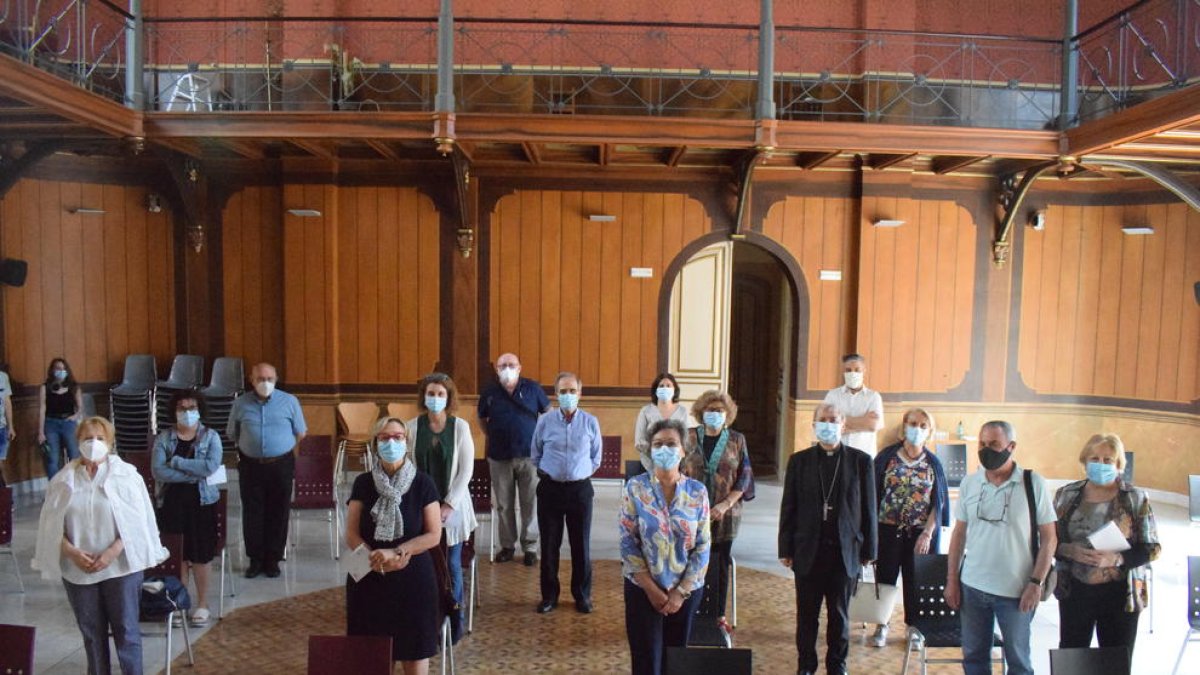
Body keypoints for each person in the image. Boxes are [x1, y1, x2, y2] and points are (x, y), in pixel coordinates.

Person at [32, 416, 167, 675]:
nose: (93, 443)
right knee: (92, 635)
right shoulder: (63, 480)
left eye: (100, 438)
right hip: (78, 569)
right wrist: (71, 552)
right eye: (87, 438)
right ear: (78, 441)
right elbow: (50, 526)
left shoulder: (126, 476)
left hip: (120, 567)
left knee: (126, 631)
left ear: (110, 442)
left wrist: (112, 552)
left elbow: (139, 522)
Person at [944, 420, 1057, 675]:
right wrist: (952, 579)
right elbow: (959, 535)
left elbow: (1050, 538)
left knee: (1018, 661)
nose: (986, 450)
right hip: (972, 587)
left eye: (994, 444)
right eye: (982, 444)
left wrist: (1035, 583)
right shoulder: (969, 484)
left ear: (1011, 446)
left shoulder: (1032, 483)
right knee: (973, 658)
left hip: (1016, 592)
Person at [778, 403, 877, 675]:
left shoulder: (860, 461)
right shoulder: (799, 461)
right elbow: (789, 506)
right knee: (807, 616)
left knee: (840, 616)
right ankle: (805, 666)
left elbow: (869, 509)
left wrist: (870, 549)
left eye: (833, 420)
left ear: (843, 425)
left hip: (845, 552)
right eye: (823, 420)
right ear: (814, 424)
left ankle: (837, 666)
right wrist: (785, 547)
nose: (828, 424)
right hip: (808, 549)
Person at [345, 417, 443, 674]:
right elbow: (351, 533)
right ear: (375, 443)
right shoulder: (363, 483)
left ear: (407, 442)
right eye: (385, 437)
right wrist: (374, 558)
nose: (391, 442)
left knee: (414, 651)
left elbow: (434, 535)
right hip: (367, 571)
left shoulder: (423, 483)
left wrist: (397, 552)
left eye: (398, 437)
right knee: (372, 656)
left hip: (413, 575)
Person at [1054, 433, 1159, 656]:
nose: (1100, 464)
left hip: (1121, 595)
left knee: (1115, 661)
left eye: (1108, 460)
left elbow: (1152, 548)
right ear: (1085, 461)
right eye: (1094, 459)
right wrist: (1068, 550)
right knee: (1072, 658)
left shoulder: (1135, 498)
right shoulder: (1066, 495)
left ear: (1118, 464)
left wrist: (1117, 558)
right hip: (1075, 591)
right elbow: (1049, 541)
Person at [620, 419, 711, 675]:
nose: (664, 449)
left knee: (676, 660)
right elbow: (627, 540)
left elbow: (703, 546)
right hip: (642, 589)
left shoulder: (697, 492)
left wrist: (679, 592)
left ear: (683, 450)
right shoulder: (636, 487)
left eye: (671, 444)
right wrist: (651, 589)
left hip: (685, 592)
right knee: (646, 660)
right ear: (650, 449)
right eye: (658, 444)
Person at [869, 407, 951, 647]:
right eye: (912, 423)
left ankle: (914, 626)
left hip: (919, 533)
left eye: (922, 426)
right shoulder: (886, 457)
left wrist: (928, 532)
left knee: (916, 580)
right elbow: (872, 495)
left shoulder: (933, 463)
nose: (916, 429)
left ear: (929, 432)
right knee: (885, 577)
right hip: (887, 529)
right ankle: (881, 624)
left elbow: (939, 502)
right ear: (904, 427)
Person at [406, 372, 477, 629]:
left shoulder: (460, 427)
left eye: (440, 394)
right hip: (422, 506)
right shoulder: (413, 427)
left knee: (451, 565)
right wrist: (426, 505)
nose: (435, 398)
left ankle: (455, 618)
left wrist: (448, 504)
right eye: (430, 394)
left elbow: (465, 470)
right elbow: (409, 468)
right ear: (423, 397)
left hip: (453, 508)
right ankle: (429, 616)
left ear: (448, 398)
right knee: (425, 564)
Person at [681, 389, 753, 636]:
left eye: (719, 411)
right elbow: (677, 472)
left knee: (720, 564)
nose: (715, 414)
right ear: (702, 413)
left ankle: (719, 615)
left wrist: (724, 505)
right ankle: (688, 610)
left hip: (726, 514)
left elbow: (744, 478)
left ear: (727, 414)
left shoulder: (737, 439)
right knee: (689, 561)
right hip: (691, 513)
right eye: (710, 410)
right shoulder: (689, 437)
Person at [227, 362, 307, 579]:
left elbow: (300, 432)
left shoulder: (289, 402)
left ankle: (273, 559)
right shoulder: (241, 403)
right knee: (252, 512)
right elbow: (232, 433)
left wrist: (280, 447)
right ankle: (255, 559)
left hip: (280, 464)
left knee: (278, 511)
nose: (265, 383)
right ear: (251, 380)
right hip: (250, 464)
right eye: (260, 379)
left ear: (276, 379)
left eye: (269, 379)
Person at [151, 390, 224, 626]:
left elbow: (210, 467)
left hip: (202, 503)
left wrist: (178, 463)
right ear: (174, 411)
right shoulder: (164, 438)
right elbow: (158, 471)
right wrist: (192, 474)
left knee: (201, 555)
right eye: (182, 408)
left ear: (200, 410)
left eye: (192, 408)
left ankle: (202, 604)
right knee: (178, 556)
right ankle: (179, 602)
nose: (187, 412)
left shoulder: (211, 436)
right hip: (172, 503)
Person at [531, 371, 601, 614]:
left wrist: (578, 473)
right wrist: (552, 472)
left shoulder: (591, 422)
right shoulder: (544, 421)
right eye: (563, 391)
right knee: (550, 545)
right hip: (550, 489)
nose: (568, 395)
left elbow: (596, 457)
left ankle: (582, 595)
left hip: (580, 490)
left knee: (580, 544)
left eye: (572, 391)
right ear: (556, 394)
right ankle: (549, 596)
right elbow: (535, 454)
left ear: (580, 394)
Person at [477, 352, 550, 565]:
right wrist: (493, 434)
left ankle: (530, 547)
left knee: (530, 503)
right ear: (497, 369)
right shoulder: (490, 392)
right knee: (504, 505)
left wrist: (541, 440)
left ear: (519, 367)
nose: (507, 368)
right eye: (502, 365)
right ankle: (507, 546)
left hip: (529, 456)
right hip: (499, 457)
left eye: (511, 365)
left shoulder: (533, 388)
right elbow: (482, 419)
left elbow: (546, 413)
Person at [822, 353, 884, 457]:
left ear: (864, 371)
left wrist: (840, 423)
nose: (853, 373)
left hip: (864, 455)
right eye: (848, 370)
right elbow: (827, 426)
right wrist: (863, 422)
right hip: (837, 454)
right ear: (843, 372)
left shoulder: (873, 397)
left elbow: (873, 425)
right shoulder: (832, 395)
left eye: (857, 370)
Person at [633, 373, 690, 472]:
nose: (665, 388)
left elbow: (687, 440)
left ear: (674, 390)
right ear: (656, 390)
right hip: (650, 465)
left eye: (668, 386)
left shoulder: (682, 411)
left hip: (676, 465)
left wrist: (671, 453)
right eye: (661, 386)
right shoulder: (646, 411)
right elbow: (639, 441)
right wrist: (658, 452)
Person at [39, 357, 84, 478]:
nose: (61, 371)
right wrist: (40, 432)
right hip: (50, 423)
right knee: (52, 458)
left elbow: (80, 407)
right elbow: (42, 409)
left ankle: (76, 483)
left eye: (63, 369)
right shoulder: (45, 387)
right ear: (52, 370)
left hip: (68, 422)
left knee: (74, 455)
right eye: (58, 368)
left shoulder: (74, 387)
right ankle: (55, 488)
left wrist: (75, 417)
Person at [0, 364, 14, 485]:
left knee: (2, 464)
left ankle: (6, 499)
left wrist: (11, 427)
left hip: (2, 427)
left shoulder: (3, 377)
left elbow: (7, 402)